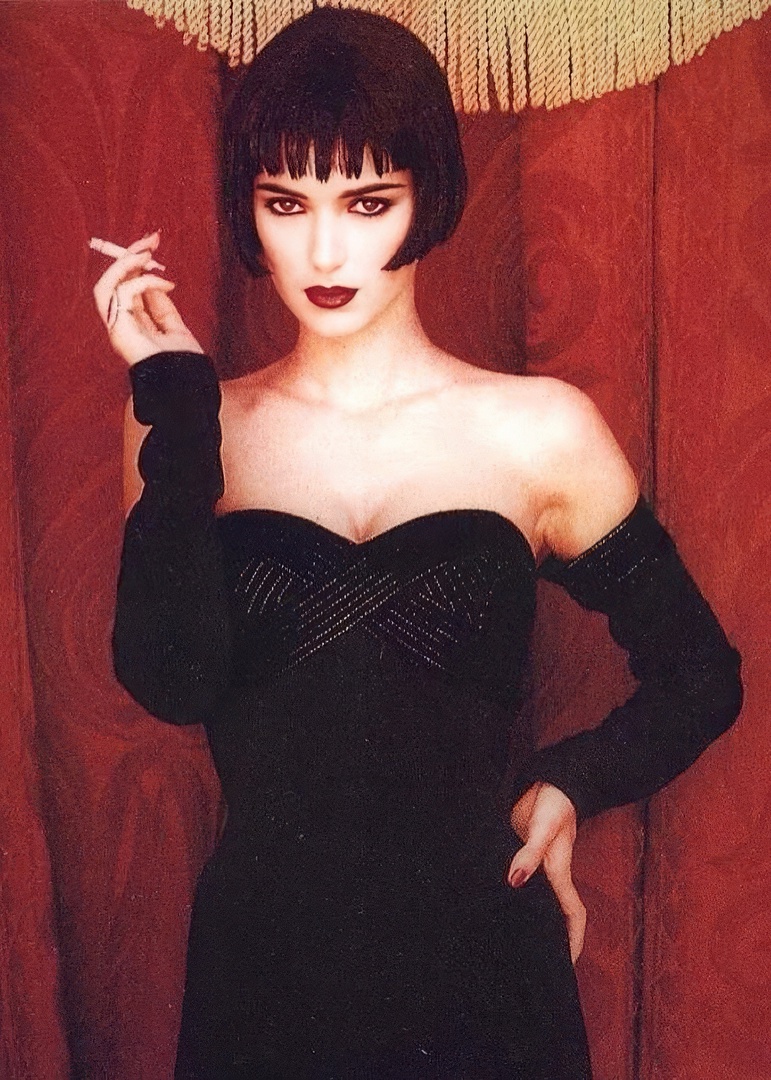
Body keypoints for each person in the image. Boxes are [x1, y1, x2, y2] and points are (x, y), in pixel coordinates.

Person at [93, 9, 743, 1079]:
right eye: (287, 204)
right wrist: (172, 398)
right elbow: (173, 681)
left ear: (427, 198)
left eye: (367, 202)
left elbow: (699, 675)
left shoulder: (539, 430)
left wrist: (572, 782)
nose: (326, 250)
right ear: (249, 213)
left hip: (484, 972)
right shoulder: (191, 425)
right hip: (264, 979)